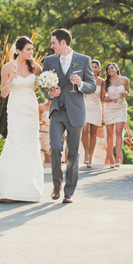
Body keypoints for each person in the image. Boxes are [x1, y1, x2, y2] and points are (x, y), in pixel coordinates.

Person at [40, 28, 96, 203]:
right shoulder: (49, 61)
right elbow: (42, 83)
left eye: (53, 43)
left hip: (76, 112)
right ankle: (57, 184)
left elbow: (92, 86)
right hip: (57, 111)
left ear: (63, 42)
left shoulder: (83, 60)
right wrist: (50, 94)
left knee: (72, 154)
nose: (51, 46)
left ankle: (69, 191)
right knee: (55, 147)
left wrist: (81, 84)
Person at [0, 36, 44, 202]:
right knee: (15, 142)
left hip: (30, 108)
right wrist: (10, 80)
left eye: (32, 49)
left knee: (30, 145)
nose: (31, 52)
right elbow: (3, 93)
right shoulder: (7, 68)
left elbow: (45, 86)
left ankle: (28, 188)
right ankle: (7, 188)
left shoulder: (35, 67)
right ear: (19, 50)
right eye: (28, 49)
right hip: (15, 108)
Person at [101, 62, 130, 168]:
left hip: (121, 108)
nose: (110, 70)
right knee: (109, 134)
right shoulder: (105, 83)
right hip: (110, 108)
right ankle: (111, 157)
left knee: (118, 132)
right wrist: (109, 99)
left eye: (112, 68)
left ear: (116, 68)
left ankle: (118, 157)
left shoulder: (124, 80)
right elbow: (102, 98)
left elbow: (128, 93)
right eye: (108, 69)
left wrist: (126, 95)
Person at [81, 60, 104, 168]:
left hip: (96, 108)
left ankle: (91, 157)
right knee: (84, 130)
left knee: (94, 133)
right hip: (85, 107)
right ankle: (86, 153)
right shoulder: (84, 79)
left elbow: (103, 98)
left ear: (99, 69)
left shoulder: (102, 82)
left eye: (95, 67)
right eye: (92, 66)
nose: (93, 68)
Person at [39, 98, 51, 163]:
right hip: (45, 133)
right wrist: (41, 122)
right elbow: (37, 121)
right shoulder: (41, 107)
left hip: (55, 133)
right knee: (47, 157)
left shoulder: (59, 107)